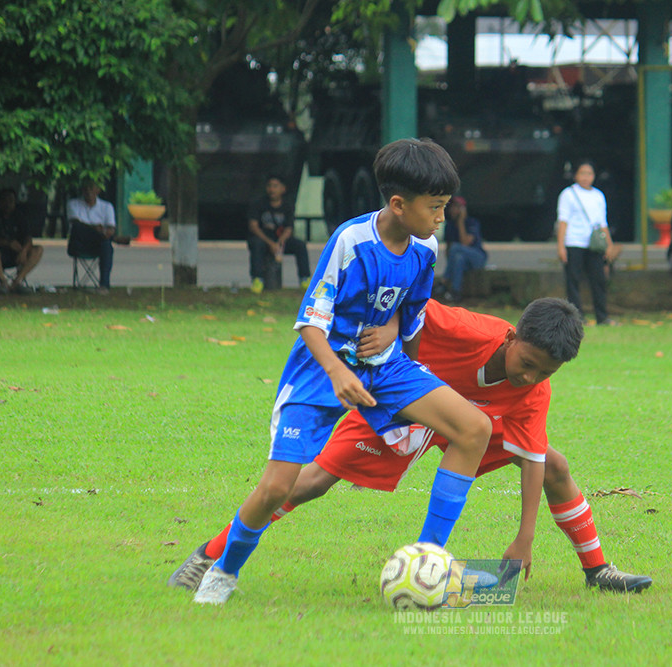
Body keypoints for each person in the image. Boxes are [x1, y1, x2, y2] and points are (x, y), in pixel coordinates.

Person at [169, 298, 652, 594]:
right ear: (512, 336)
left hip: (471, 427)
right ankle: (210, 554)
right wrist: (395, 333)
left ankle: (597, 571)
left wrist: (524, 538)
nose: (531, 376)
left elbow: (531, 456)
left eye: (546, 372)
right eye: (528, 362)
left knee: (556, 466)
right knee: (312, 481)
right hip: (405, 400)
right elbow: (412, 307)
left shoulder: (532, 390)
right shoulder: (467, 329)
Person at [190, 138, 493, 605]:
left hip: (385, 368)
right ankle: (223, 571)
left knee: (474, 428)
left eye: (444, 206)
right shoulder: (351, 241)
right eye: (434, 207)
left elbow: (411, 312)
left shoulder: (426, 247)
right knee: (278, 487)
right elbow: (311, 320)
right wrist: (337, 372)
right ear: (398, 204)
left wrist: (395, 338)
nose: (440, 217)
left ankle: (428, 559)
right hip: (321, 369)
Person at [556, 160, 618, 326]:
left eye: (589, 173)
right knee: (573, 280)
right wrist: (561, 245)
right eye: (582, 173)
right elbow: (563, 221)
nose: (585, 177)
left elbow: (602, 223)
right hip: (574, 241)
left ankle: (602, 316)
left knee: (598, 279)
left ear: (594, 176)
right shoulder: (568, 194)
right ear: (576, 175)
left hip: (593, 243)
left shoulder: (598, 195)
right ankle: (577, 317)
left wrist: (609, 244)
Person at [247, 174, 311, 294]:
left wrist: (280, 242)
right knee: (256, 245)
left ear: (283, 189)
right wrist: (271, 243)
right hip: (264, 239)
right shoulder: (258, 204)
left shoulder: (287, 206)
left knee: (300, 245)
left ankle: (305, 279)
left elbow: (289, 228)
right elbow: (253, 226)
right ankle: (257, 279)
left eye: (275, 186)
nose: (272, 189)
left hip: (280, 240)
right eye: (270, 186)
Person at [66, 181, 127, 292]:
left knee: (107, 245)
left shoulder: (106, 207)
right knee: (78, 227)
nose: (89, 192)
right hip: (79, 243)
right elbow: (75, 223)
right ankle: (115, 239)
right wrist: (95, 229)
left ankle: (104, 285)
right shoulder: (73, 204)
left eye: (91, 189)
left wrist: (105, 233)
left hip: (98, 245)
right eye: (86, 189)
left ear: (98, 190)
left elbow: (110, 228)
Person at [0, 188, 43, 293]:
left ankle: (17, 282)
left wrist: (24, 251)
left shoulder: (20, 216)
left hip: (17, 255)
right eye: (5, 201)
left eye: (11, 201)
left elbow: (28, 238)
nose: (8, 204)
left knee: (38, 250)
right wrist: (7, 243)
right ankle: (3, 282)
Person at [441, 196, 487, 302]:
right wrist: (451, 264)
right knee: (458, 259)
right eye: (452, 207)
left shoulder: (472, 223)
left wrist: (461, 221)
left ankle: (444, 280)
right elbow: (448, 250)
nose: (453, 210)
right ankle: (455, 292)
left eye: (457, 207)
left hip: (477, 257)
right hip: (462, 259)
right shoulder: (449, 226)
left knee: (456, 247)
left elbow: (465, 242)